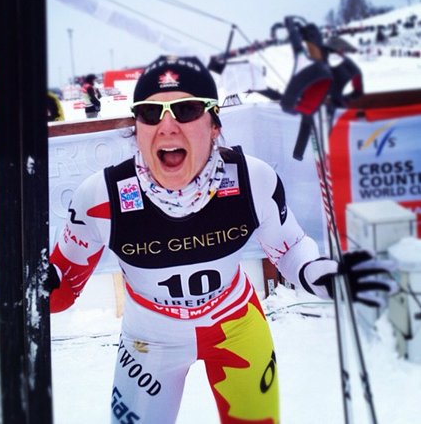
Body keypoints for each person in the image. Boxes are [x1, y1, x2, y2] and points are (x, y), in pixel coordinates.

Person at [49, 55, 396, 424]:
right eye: (151, 114)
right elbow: (60, 288)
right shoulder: (102, 196)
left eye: (185, 110)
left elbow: (291, 248)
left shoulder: (252, 179)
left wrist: (322, 274)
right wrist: (19, 286)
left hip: (236, 327)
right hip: (150, 341)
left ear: (214, 124)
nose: (167, 126)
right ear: (136, 127)